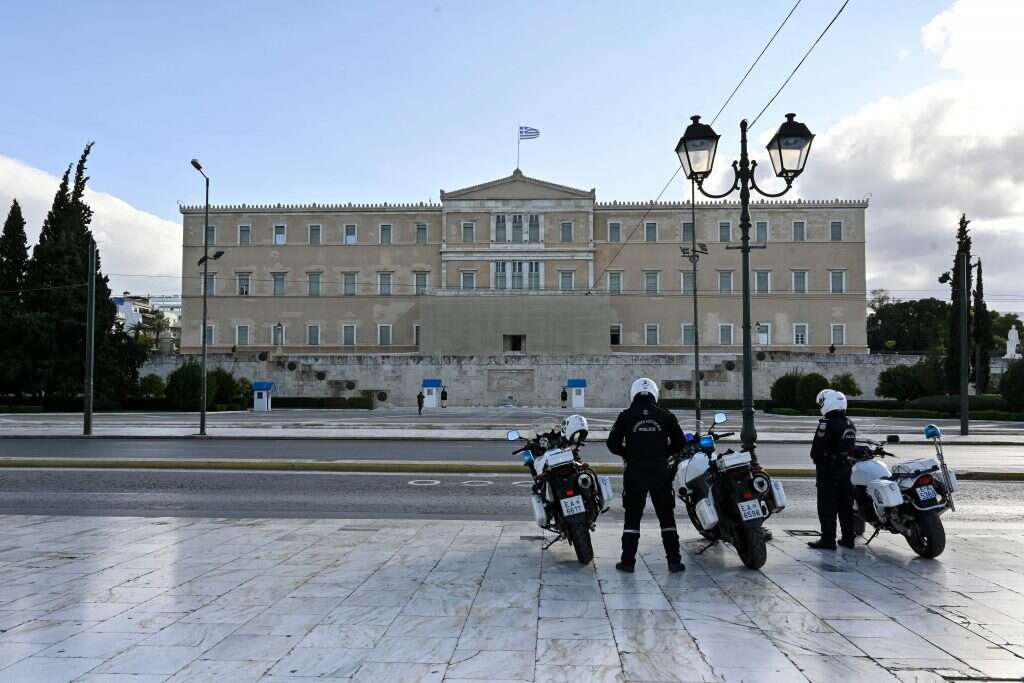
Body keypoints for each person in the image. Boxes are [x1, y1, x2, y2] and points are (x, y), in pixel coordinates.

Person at [607, 377, 685, 573]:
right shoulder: (666, 415)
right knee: (667, 518)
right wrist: (664, 453)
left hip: (635, 472)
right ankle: (674, 562)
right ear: (654, 394)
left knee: (632, 518)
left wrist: (628, 453)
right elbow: (680, 443)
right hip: (661, 473)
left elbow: (612, 444)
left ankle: (627, 562)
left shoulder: (625, 416)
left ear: (633, 393)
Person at [808, 389, 857, 550]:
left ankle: (828, 539)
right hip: (846, 469)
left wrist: (819, 460)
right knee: (845, 504)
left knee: (826, 505)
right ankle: (848, 538)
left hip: (828, 470)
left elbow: (816, 451)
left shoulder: (826, 424)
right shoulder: (849, 423)